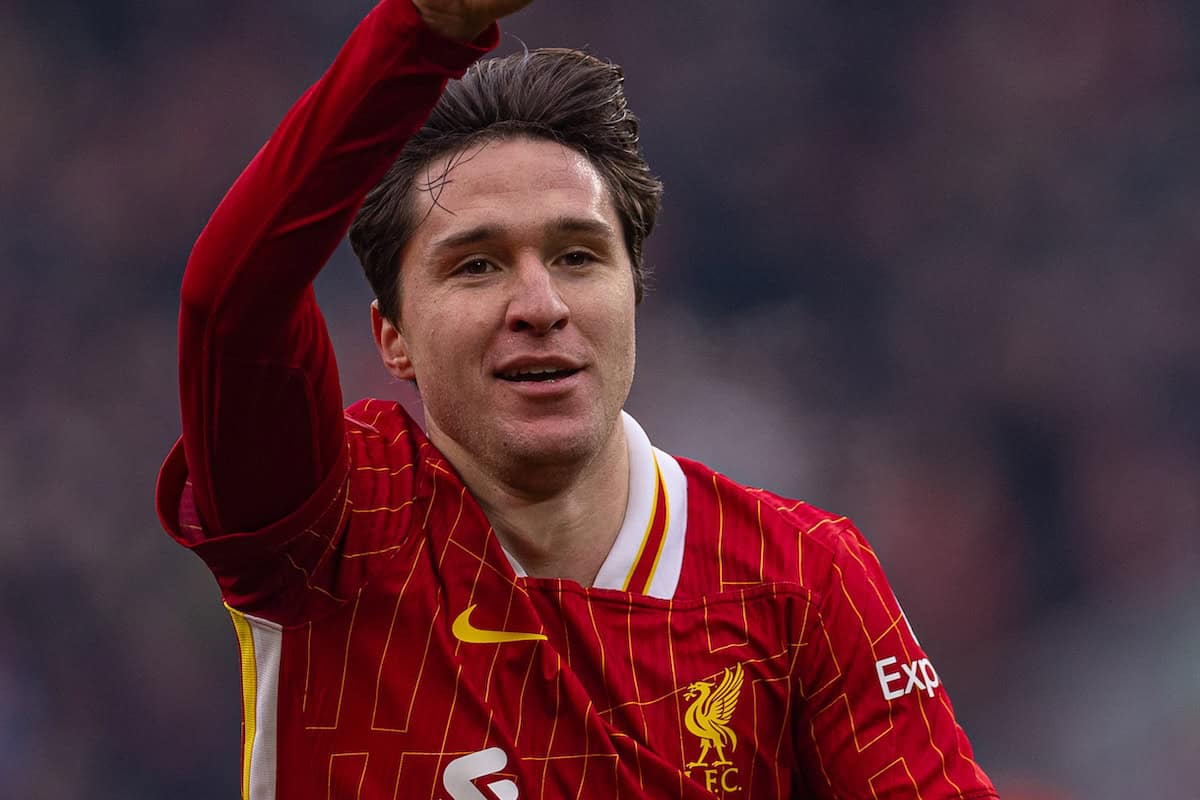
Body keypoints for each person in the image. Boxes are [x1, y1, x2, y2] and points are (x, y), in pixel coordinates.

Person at [155, 0, 999, 797]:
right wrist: (416, 35)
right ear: (393, 338)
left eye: (578, 256)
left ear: (635, 293)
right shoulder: (332, 527)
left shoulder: (801, 581)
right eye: (476, 264)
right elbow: (229, 305)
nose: (539, 304)